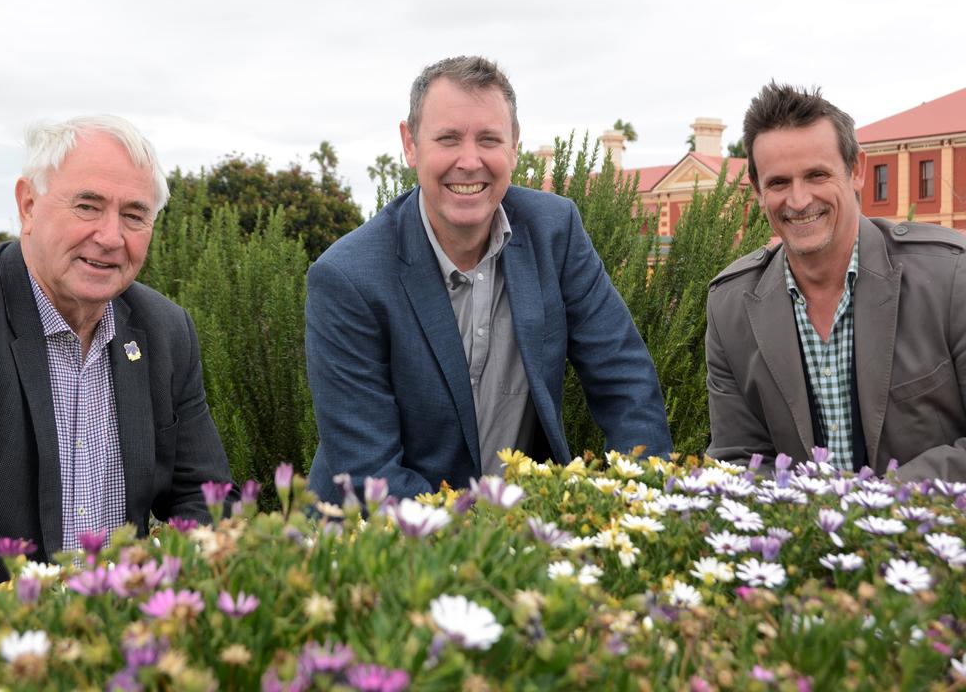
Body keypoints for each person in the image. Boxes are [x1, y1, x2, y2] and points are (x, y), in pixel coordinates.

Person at [305, 55, 671, 505]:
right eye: (448, 139)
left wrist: (638, 499)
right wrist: (495, 538)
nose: (470, 161)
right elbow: (369, 474)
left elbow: (624, 378)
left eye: (489, 139)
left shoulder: (555, 232)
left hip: (523, 535)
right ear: (410, 143)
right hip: (382, 549)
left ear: (514, 145)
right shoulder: (348, 279)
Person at [0, 115, 235, 578]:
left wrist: (166, 591)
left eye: (135, 215)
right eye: (87, 206)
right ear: (29, 205)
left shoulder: (164, 330)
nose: (111, 237)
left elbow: (206, 498)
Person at [706, 82, 966, 480]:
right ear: (757, 190)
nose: (798, 200)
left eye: (816, 175)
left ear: (857, 170)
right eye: (778, 183)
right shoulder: (730, 306)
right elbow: (739, 459)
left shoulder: (950, 277)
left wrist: (880, 502)